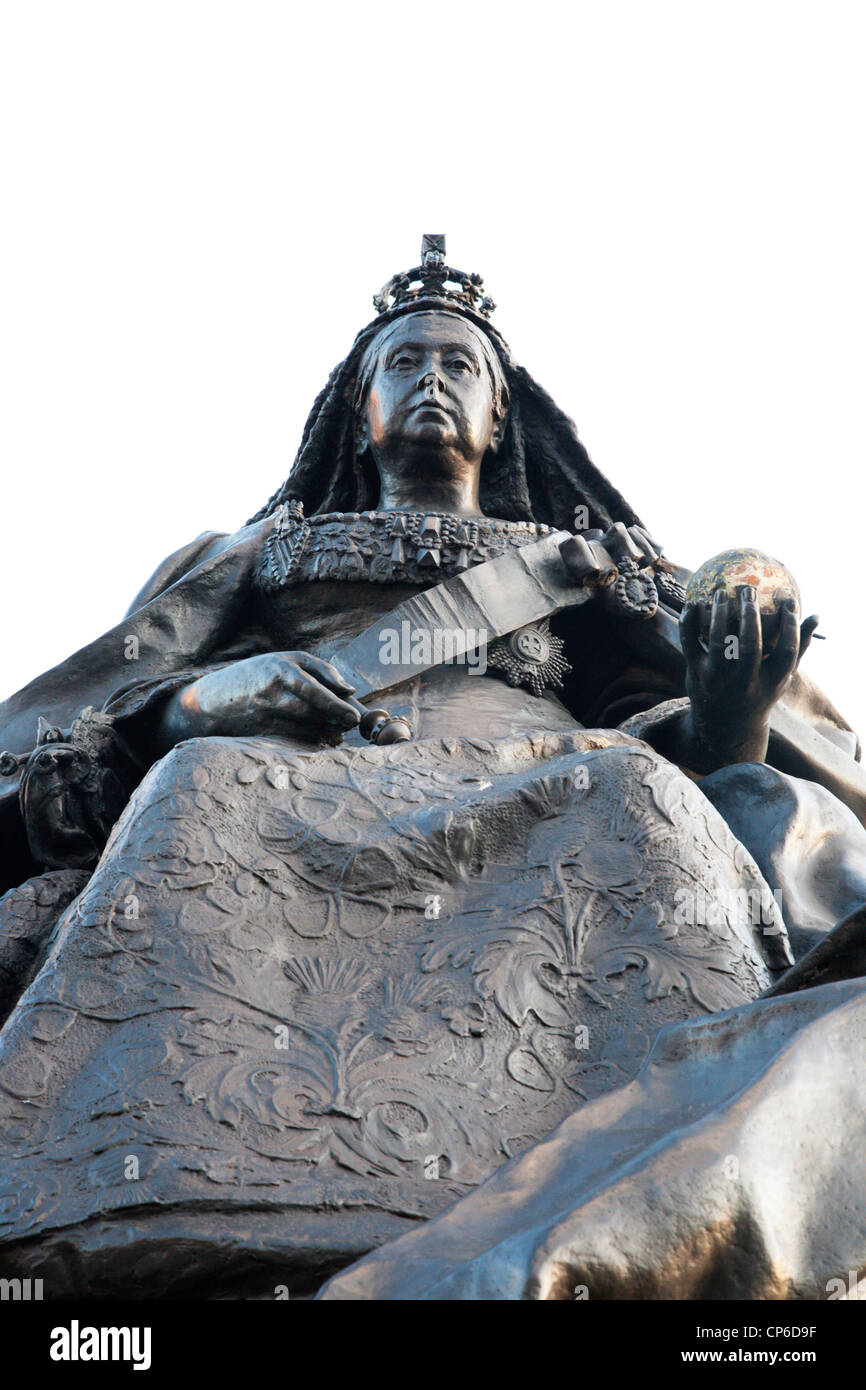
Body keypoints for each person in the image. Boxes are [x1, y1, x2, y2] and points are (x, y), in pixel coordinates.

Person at [1, 238, 865, 1299]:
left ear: (499, 417)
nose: (430, 380)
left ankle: (652, 1174)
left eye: (459, 365)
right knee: (202, 786)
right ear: (356, 409)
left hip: (545, 781)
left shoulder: (587, 567)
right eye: (402, 364)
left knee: (630, 791)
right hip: (283, 778)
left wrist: (732, 706)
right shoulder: (250, 556)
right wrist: (197, 702)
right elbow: (81, 718)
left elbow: (674, 736)